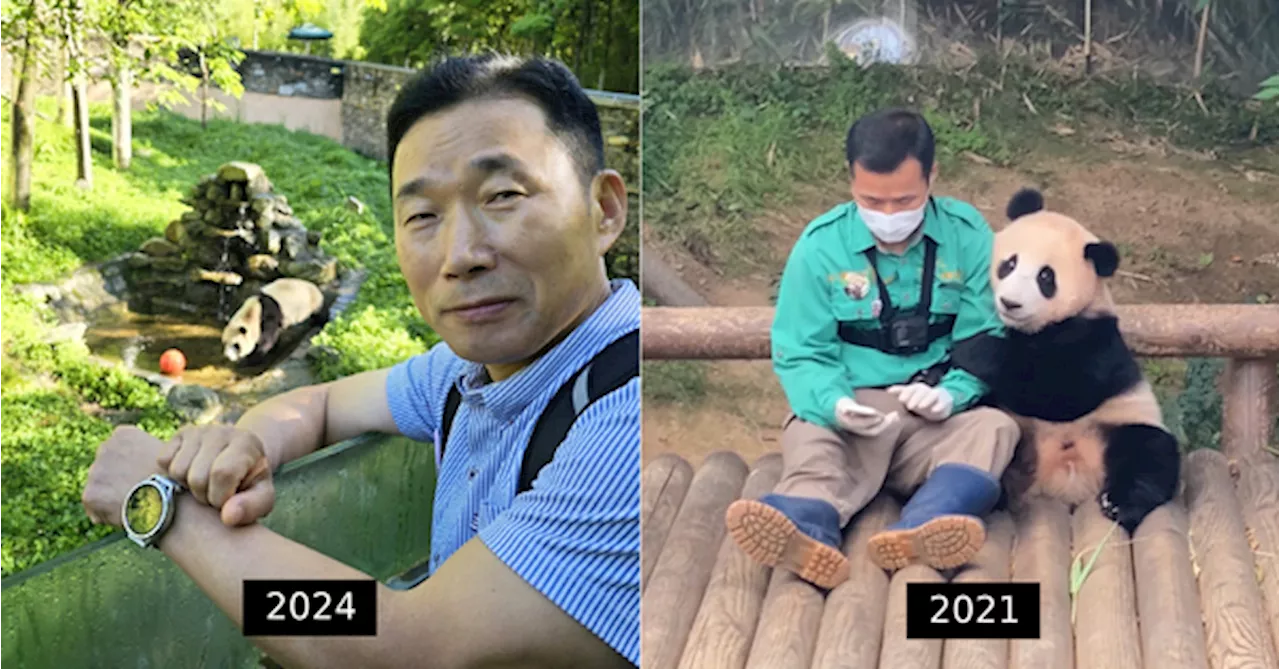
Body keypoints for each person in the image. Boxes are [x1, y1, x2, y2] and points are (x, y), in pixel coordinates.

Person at [81, 53, 639, 668]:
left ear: (604, 211)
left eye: (503, 195)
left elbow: (405, 646)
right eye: (423, 215)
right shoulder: (466, 373)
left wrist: (164, 510)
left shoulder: (631, 421)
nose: (461, 254)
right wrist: (245, 446)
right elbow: (317, 403)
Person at [724, 108, 1019, 588]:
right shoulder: (820, 247)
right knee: (813, 442)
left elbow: (985, 332)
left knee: (995, 428)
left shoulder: (968, 236)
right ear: (850, 182)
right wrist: (834, 403)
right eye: (871, 200)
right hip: (851, 410)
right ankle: (805, 524)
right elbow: (801, 351)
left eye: (904, 200)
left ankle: (925, 523)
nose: (888, 215)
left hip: (932, 416)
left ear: (933, 177)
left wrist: (953, 393)